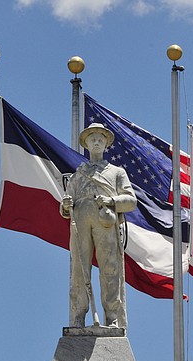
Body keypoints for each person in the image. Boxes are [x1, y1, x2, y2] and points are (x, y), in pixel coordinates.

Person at [60, 123, 137, 329]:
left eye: (100, 140)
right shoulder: (78, 175)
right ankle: (78, 316)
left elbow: (131, 201)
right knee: (79, 270)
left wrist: (111, 201)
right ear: (85, 144)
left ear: (106, 145)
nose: (96, 142)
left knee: (110, 269)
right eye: (92, 139)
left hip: (106, 220)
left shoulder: (117, 172)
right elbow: (68, 201)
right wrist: (65, 206)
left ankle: (111, 317)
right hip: (81, 221)